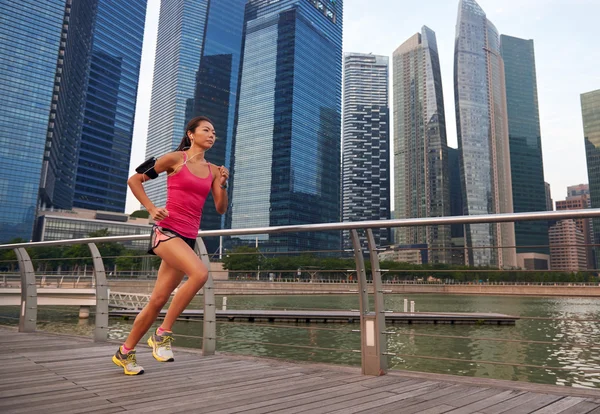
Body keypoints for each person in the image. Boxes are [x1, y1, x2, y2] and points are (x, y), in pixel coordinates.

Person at [112, 116, 228, 375]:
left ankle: (125, 352)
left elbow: (220, 208)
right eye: (206, 130)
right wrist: (152, 208)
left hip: (187, 238)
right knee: (199, 273)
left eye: (214, 132)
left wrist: (222, 183)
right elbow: (134, 180)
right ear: (191, 134)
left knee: (158, 300)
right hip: (166, 232)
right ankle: (162, 334)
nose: (211, 135)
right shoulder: (175, 159)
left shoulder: (212, 170)